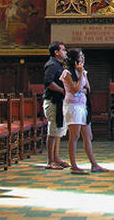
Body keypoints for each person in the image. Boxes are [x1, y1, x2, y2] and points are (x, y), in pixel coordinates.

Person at [61, 48, 104, 173]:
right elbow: (74, 90)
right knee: (74, 136)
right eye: (80, 56)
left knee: (88, 136)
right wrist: (80, 76)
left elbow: (87, 88)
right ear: (74, 59)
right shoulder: (66, 73)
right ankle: (74, 166)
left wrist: (81, 78)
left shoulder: (83, 72)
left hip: (83, 106)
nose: (83, 58)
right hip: (72, 107)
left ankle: (94, 164)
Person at [43, 41, 68, 169]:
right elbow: (48, 82)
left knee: (58, 131)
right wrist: (63, 91)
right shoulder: (52, 65)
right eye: (63, 50)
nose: (65, 52)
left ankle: (56, 157)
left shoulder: (59, 65)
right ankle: (50, 160)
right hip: (52, 101)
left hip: (59, 101)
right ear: (56, 52)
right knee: (52, 131)